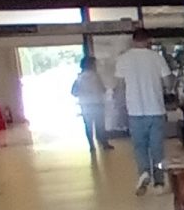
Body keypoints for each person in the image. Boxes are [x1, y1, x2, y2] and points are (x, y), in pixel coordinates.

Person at [115, 29, 171, 195]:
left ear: (133, 41)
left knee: (139, 147)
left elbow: (119, 87)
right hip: (156, 109)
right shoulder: (156, 57)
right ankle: (159, 182)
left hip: (134, 111)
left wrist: (120, 108)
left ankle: (144, 173)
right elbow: (168, 82)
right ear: (148, 40)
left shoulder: (123, 59)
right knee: (157, 148)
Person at [70, 56, 112, 152]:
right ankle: (104, 143)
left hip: (85, 105)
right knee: (100, 125)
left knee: (88, 126)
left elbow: (74, 92)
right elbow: (103, 89)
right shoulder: (96, 76)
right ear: (91, 65)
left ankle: (91, 145)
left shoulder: (79, 78)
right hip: (97, 103)